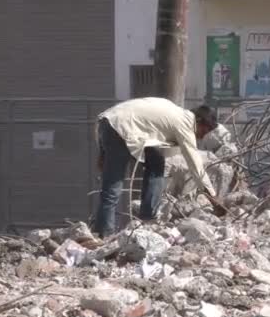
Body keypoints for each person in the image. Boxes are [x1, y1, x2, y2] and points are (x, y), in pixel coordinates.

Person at [94, 97, 220, 237]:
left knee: (156, 163)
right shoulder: (185, 124)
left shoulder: (177, 113)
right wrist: (212, 196)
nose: (202, 137)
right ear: (199, 121)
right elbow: (195, 163)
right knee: (112, 187)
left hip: (113, 125)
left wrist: (102, 150)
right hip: (119, 130)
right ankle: (104, 234)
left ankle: (148, 218)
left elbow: (114, 117)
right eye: (204, 131)